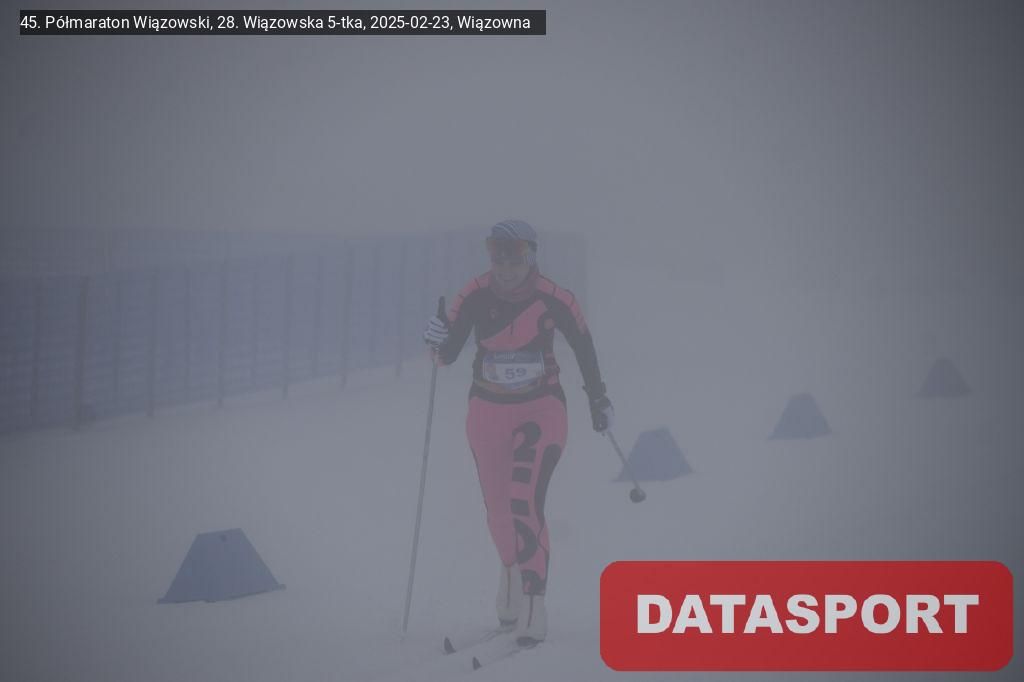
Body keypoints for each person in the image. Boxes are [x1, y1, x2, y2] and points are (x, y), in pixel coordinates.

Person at [422, 219, 613, 647]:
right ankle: (509, 572)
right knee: (497, 510)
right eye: (498, 257)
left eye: (516, 257)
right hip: (487, 411)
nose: (506, 268)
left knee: (524, 500)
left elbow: (583, 345)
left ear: (532, 256)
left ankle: (533, 601)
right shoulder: (474, 294)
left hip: (540, 410)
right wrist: (434, 338)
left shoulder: (555, 297)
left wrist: (598, 399)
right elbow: (446, 356)